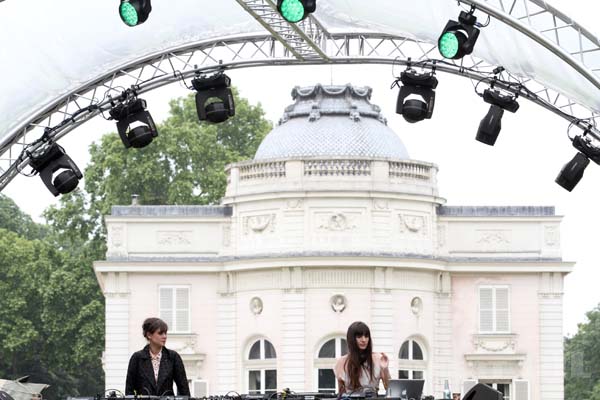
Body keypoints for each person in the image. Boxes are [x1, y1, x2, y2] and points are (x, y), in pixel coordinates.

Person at [125, 317, 190, 396]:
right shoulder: (137, 358)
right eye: (160, 333)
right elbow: (129, 390)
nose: (164, 336)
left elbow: (184, 389)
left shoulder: (173, 357)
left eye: (165, 333)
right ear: (149, 335)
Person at [334, 321, 391, 396]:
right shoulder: (341, 362)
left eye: (366, 336)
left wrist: (385, 369)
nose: (364, 340)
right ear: (351, 339)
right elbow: (341, 393)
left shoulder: (378, 358)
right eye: (359, 336)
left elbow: (389, 388)